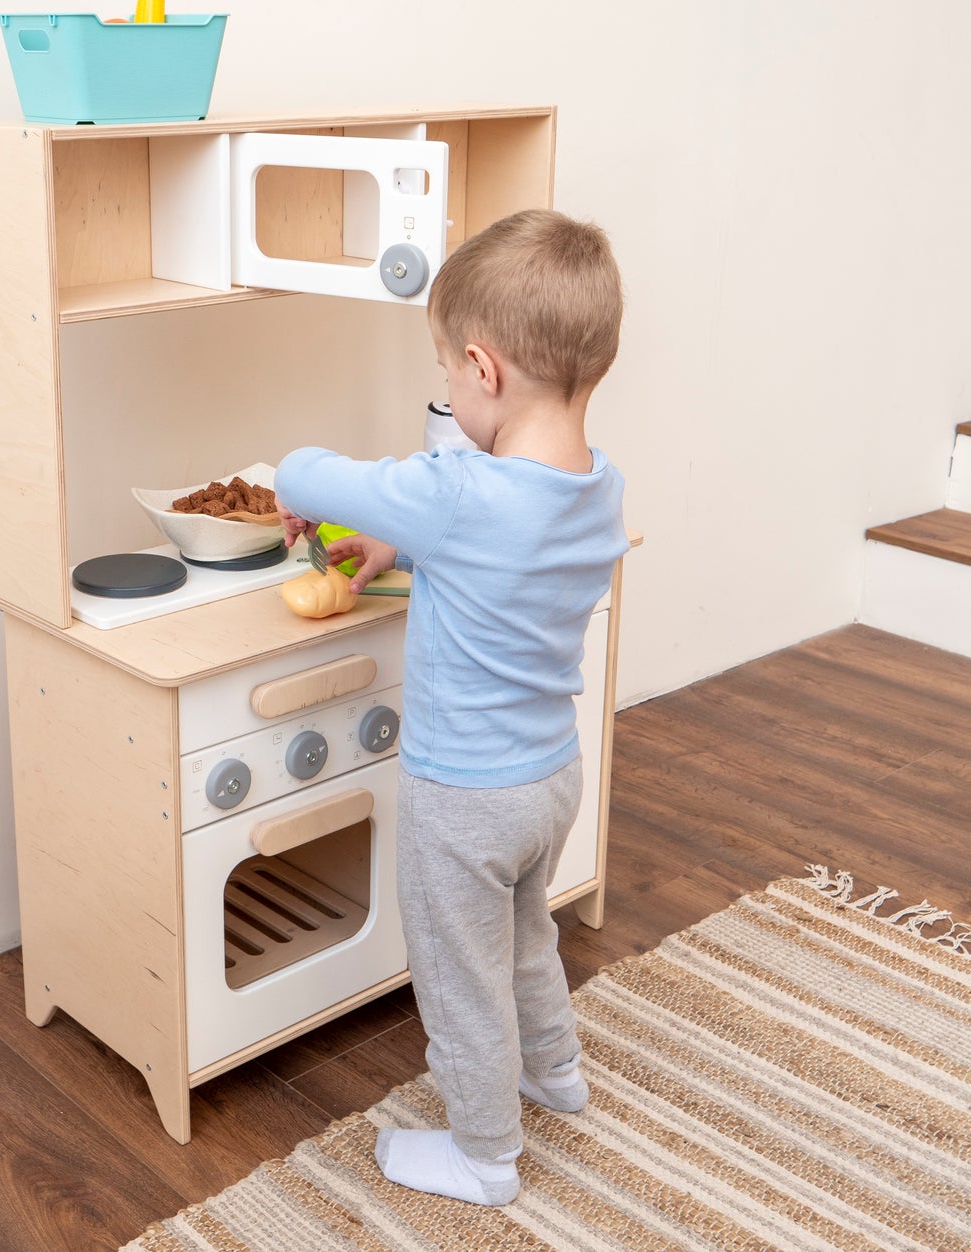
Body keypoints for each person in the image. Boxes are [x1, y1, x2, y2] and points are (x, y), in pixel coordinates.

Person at [275, 208, 629, 1207]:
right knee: (524, 937)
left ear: (482, 369)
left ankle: (482, 1153)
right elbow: (496, 557)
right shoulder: (594, 487)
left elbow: (310, 472)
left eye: (441, 370)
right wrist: (399, 548)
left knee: (458, 975)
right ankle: (553, 1072)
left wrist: (287, 473)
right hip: (546, 777)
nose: (443, 390)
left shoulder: (457, 488)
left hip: (461, 795)